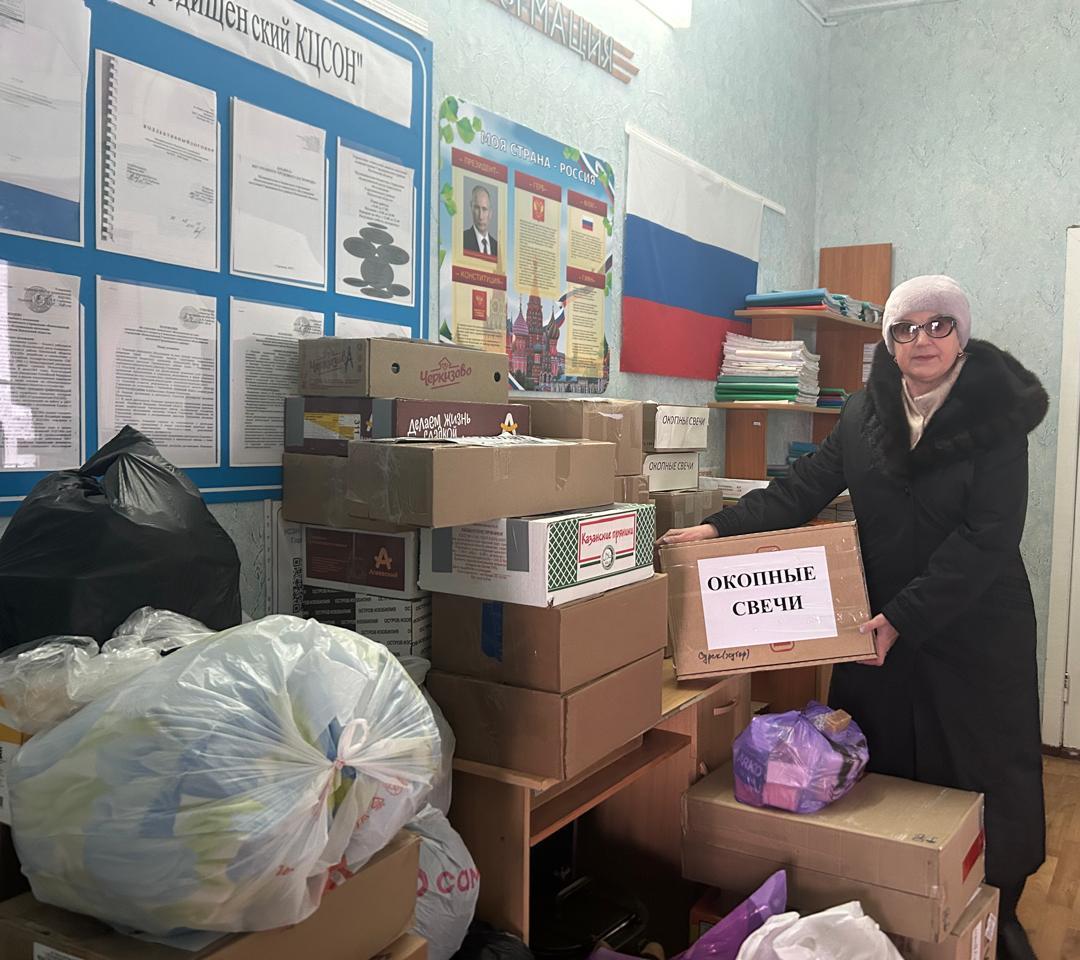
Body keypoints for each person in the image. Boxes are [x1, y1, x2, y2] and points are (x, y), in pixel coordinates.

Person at [660, 275, 1047, 960]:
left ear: (961, 336)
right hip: (876, 627)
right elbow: (801, 488)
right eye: (905, 328)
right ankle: (893, 909)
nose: (922, 340)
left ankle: (992, 914)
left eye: (938, 325)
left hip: (974, 627)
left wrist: (905, 616)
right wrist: (719, 529)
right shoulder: (865, 413)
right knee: (876, 765)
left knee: (984, 773)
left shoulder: (997, 417)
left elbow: (988, 535)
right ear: (889, 343)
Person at [463, 185, 498, 257]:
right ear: (471, 209)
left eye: (484, 209)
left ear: (490, 213)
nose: (480, 216)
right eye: (477, 208)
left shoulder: (497, 247)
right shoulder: (462, 240)